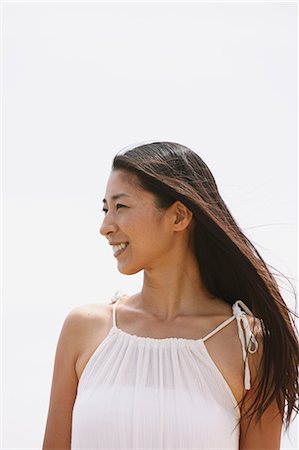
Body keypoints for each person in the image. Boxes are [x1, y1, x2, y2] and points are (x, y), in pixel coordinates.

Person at [43, 141, 298, 450]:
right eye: (105, 209)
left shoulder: (250, 346)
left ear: (179, 216)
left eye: (120, 207)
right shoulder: (85, 329)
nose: (105, 226)